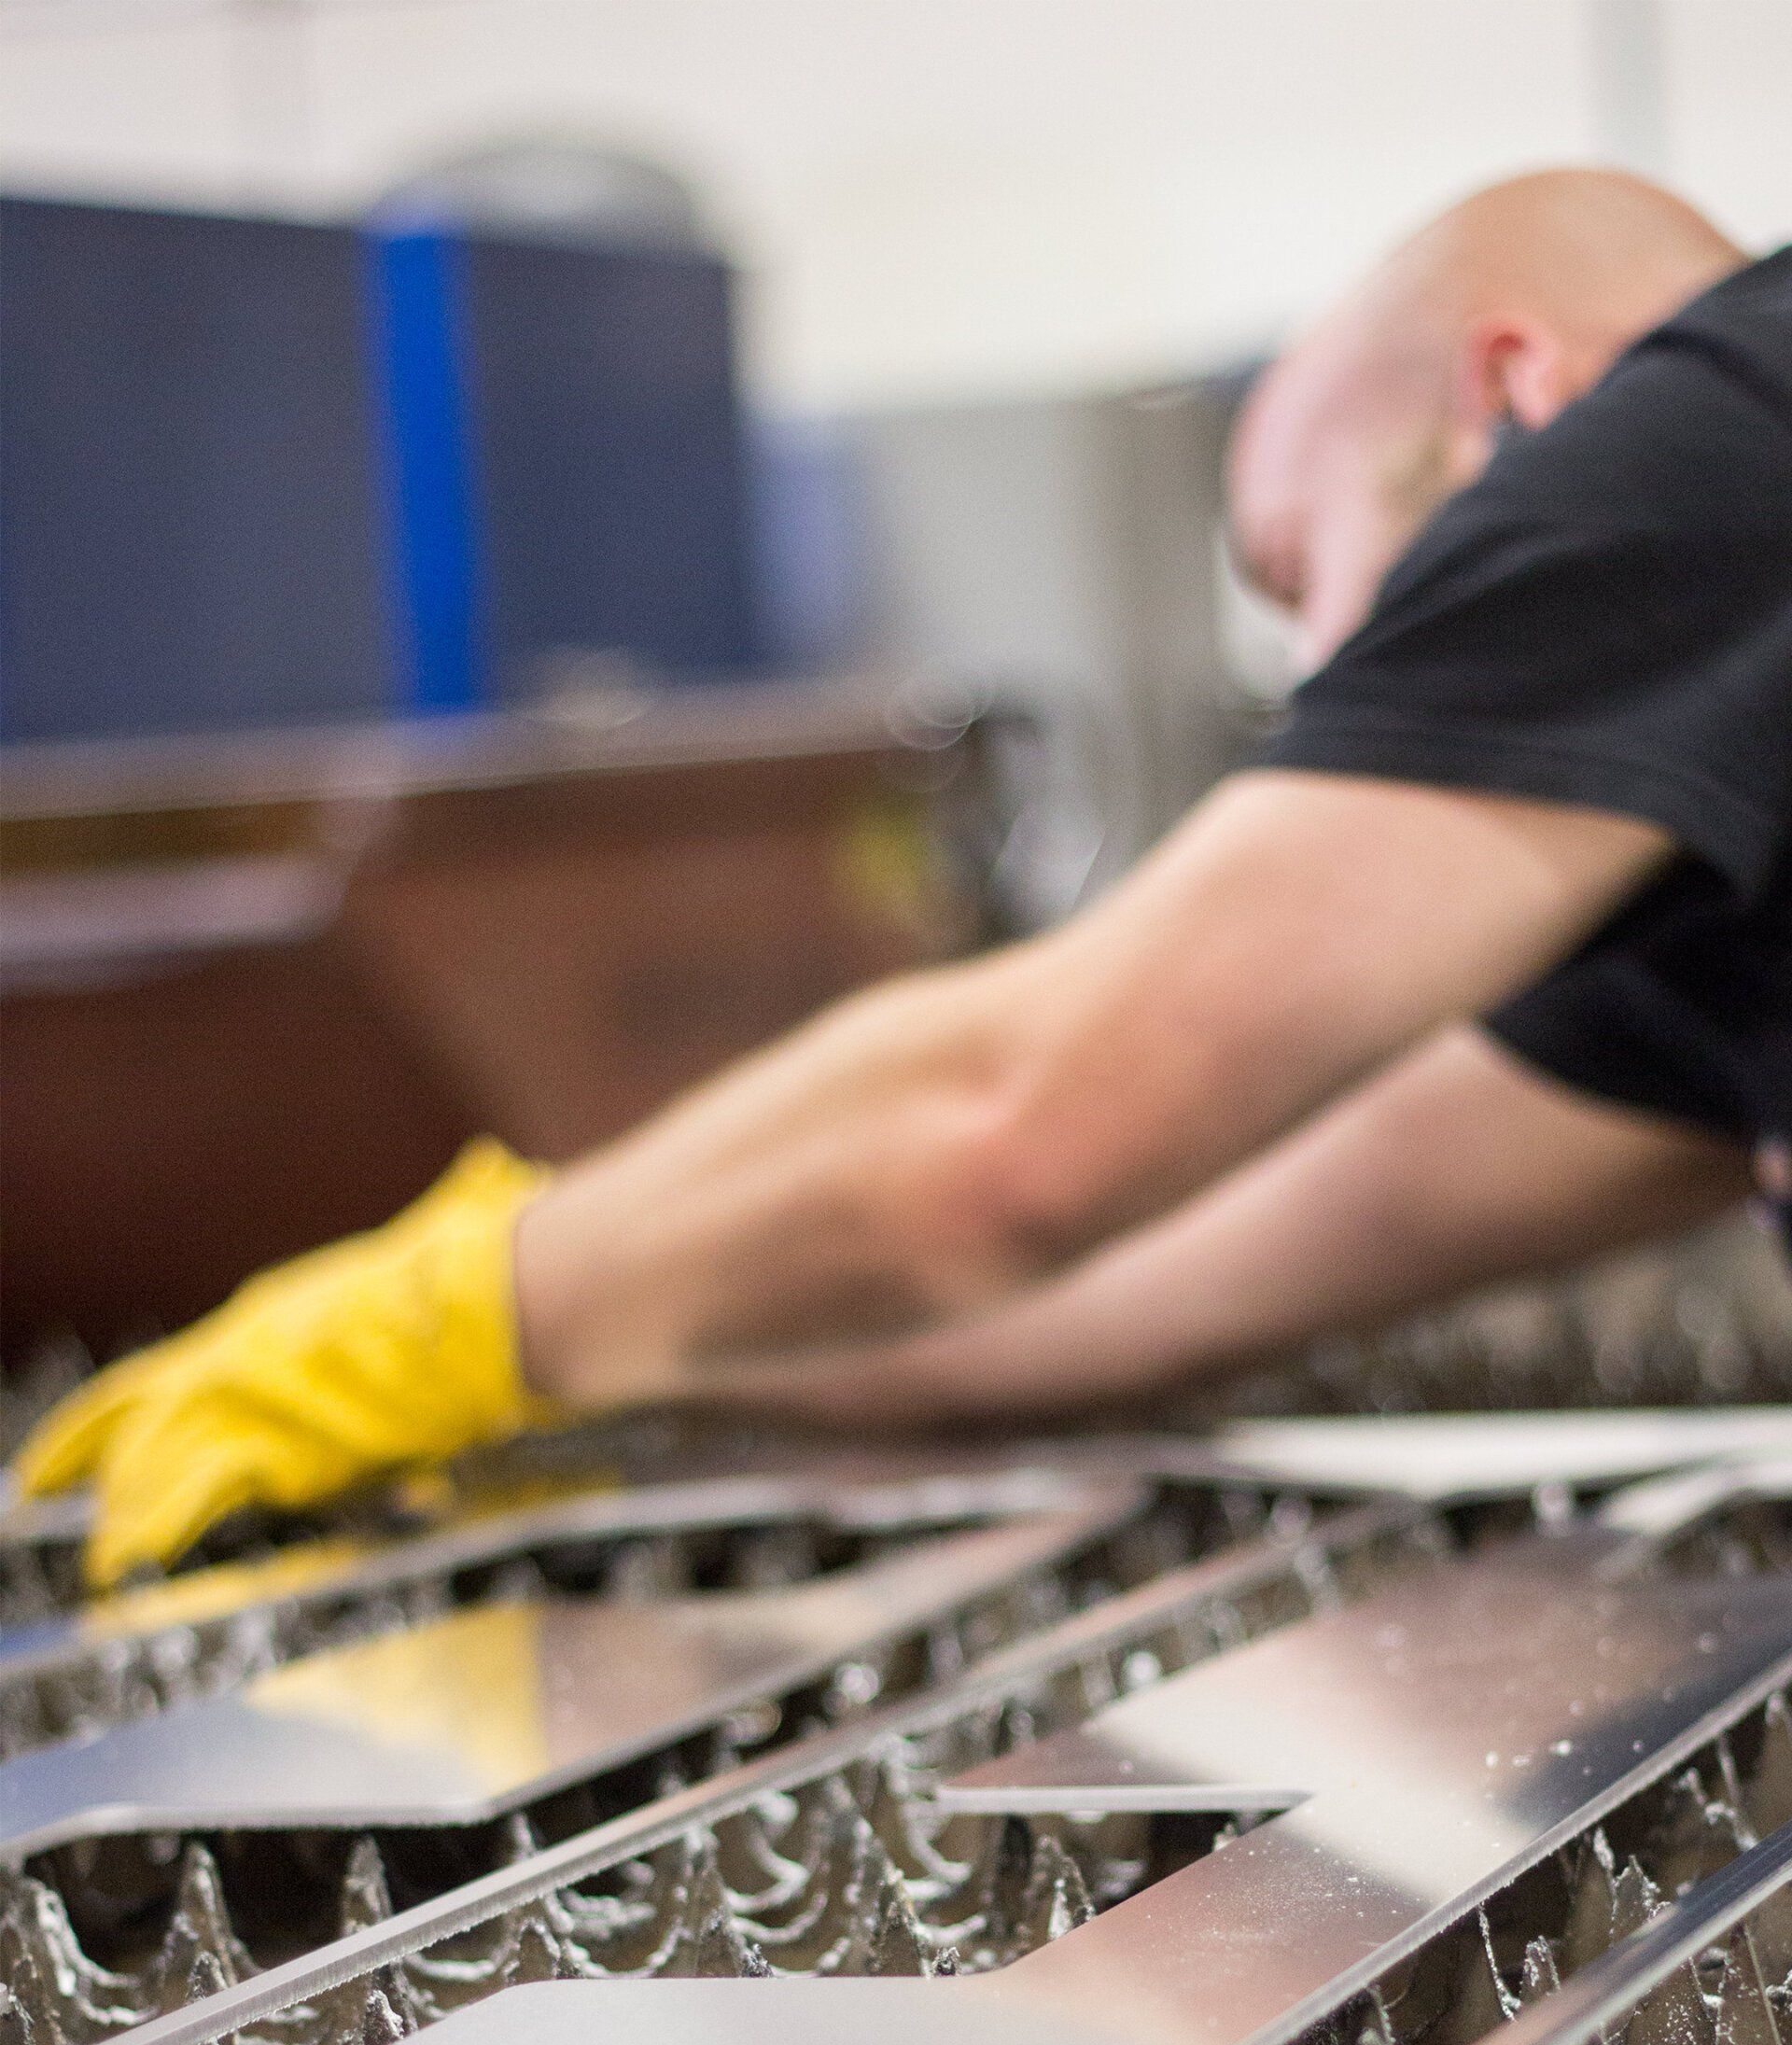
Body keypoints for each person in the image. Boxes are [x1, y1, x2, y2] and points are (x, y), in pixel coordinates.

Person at [23, 167, 1790, 1588]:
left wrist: (447, 1315)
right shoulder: (1717, 949)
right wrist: (574, 1356)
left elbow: (1008, 1138)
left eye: (1300, 558)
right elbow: (1152, 1264)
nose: (1329, 666)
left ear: (1518, 394)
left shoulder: (1726, 415)